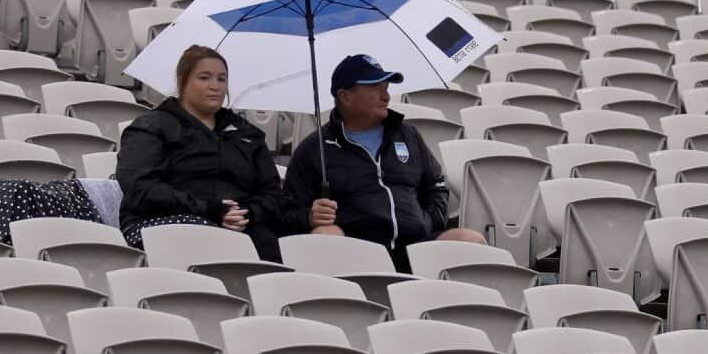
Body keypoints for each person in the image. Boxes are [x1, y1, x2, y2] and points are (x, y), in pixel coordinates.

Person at [284, 54, 484, 270]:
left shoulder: (408, 135)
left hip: (416, 245)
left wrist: (425, 221)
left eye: (386, 88)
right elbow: (286, 212)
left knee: (471, 240)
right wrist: (309, 217)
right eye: (375, 88)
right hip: (356, 249)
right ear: (345, 96)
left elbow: (436, 188)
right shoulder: (315, 148)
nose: (386, 96)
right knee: (325, 235)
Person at [117, 44, 290, 261]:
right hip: (168, 222)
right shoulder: (152, 126)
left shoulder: (247, 133)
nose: (215, 86)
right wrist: (210, 210)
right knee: (212, 241)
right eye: (204, 77)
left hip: (241, 226)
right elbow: (140, 187)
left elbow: (272, 193)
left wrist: (247, 212)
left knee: (277, 247)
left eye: (221, 79)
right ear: (183, 80)